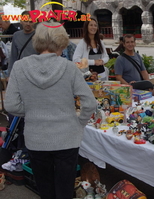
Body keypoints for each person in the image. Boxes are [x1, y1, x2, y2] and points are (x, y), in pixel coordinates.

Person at [4, 21, 97, 199]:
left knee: (45, 188)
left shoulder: (20, 67)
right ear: (61, 41)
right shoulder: (69, 68)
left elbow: (11, 105)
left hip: (36, 138)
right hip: (67, 137)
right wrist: (80, 123)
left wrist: (31, 110)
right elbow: (90, 103)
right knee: (65, 188)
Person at [8, 11, 37, 77]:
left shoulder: (39, 35)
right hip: (21, 71)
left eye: (31, 21)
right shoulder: (16, 35)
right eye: (26, 21)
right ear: (21, 21)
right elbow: (13, 56)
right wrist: (10, 74)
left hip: (36, 71)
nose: (28, 24)